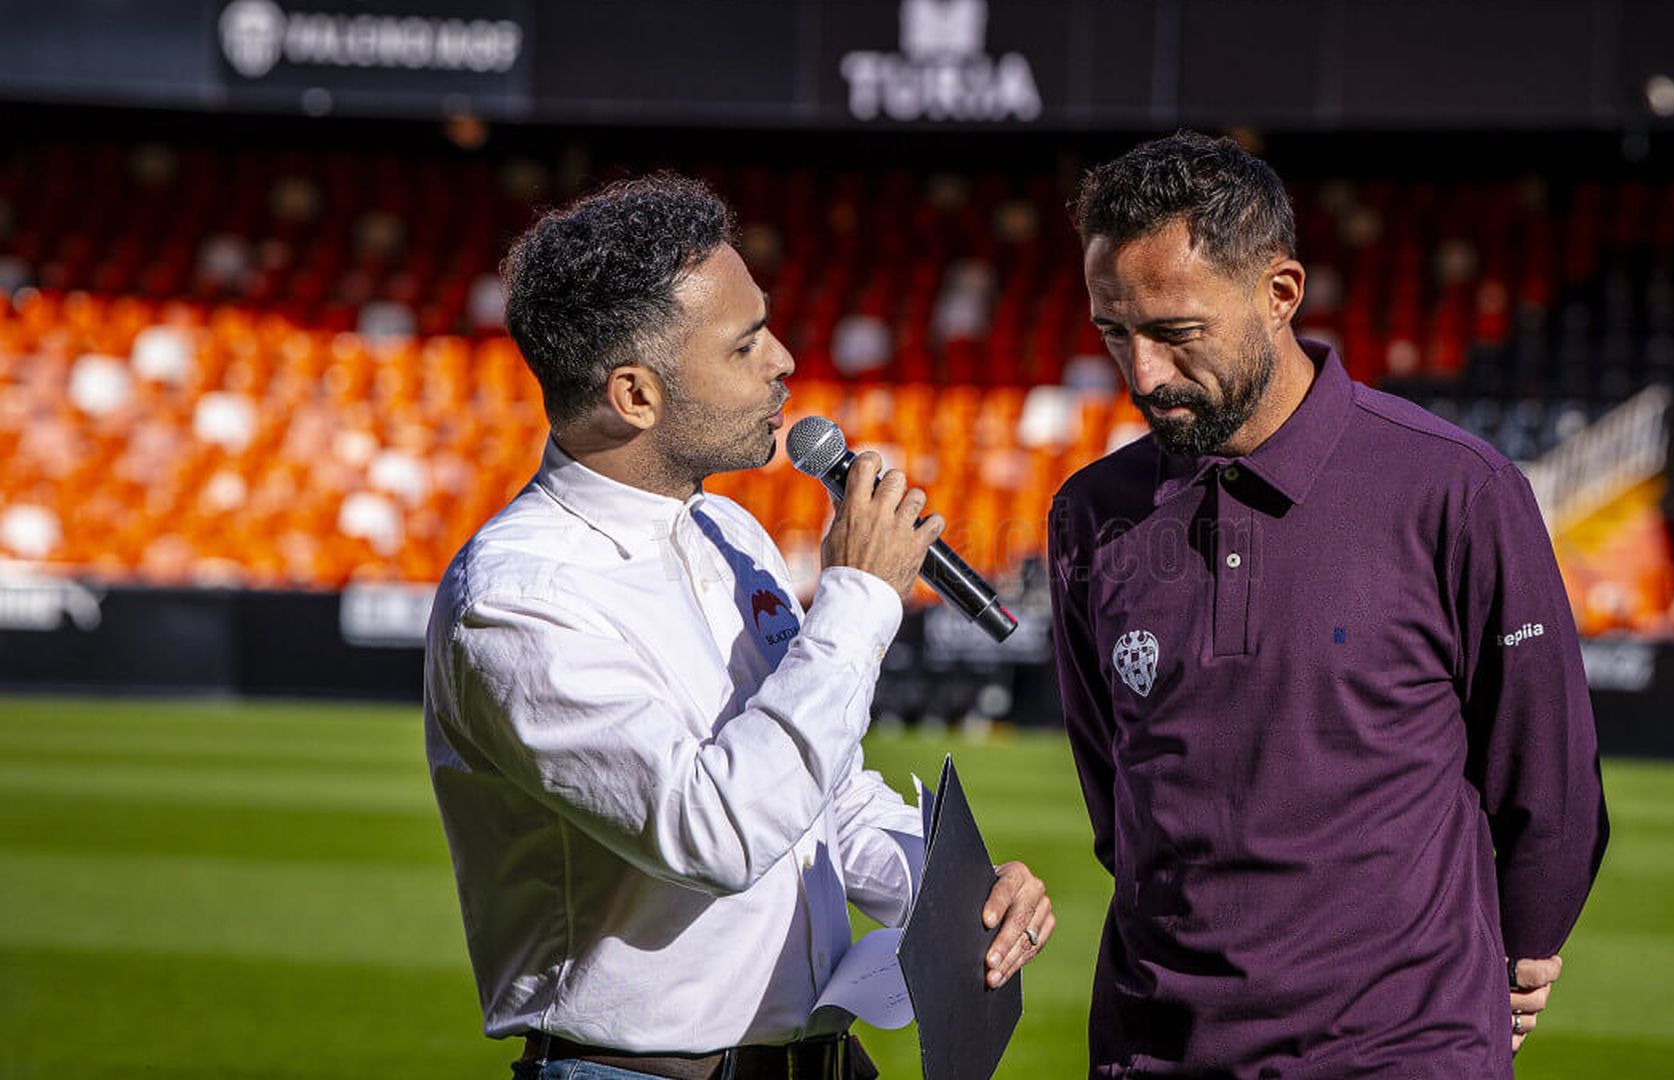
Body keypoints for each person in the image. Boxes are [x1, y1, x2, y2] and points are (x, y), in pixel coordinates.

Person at [425, 173, 1054, 1080]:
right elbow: (714, 833)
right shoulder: (518, 597)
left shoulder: (729, 529)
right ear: (635, 395)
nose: (785, 359)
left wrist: (951, 892)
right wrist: (861, 599)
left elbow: (818, 794)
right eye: (745, 344)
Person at [1046, 132, 1607, 1078]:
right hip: (1156, 1049)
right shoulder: (1090, 515)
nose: (1140, 375)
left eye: (1176, 334)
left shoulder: (1455, 490)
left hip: (1400, 1053)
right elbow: (1118, 800)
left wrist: (1503, 963)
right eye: (1113, 332)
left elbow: (1546, 784)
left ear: (1280, 294)